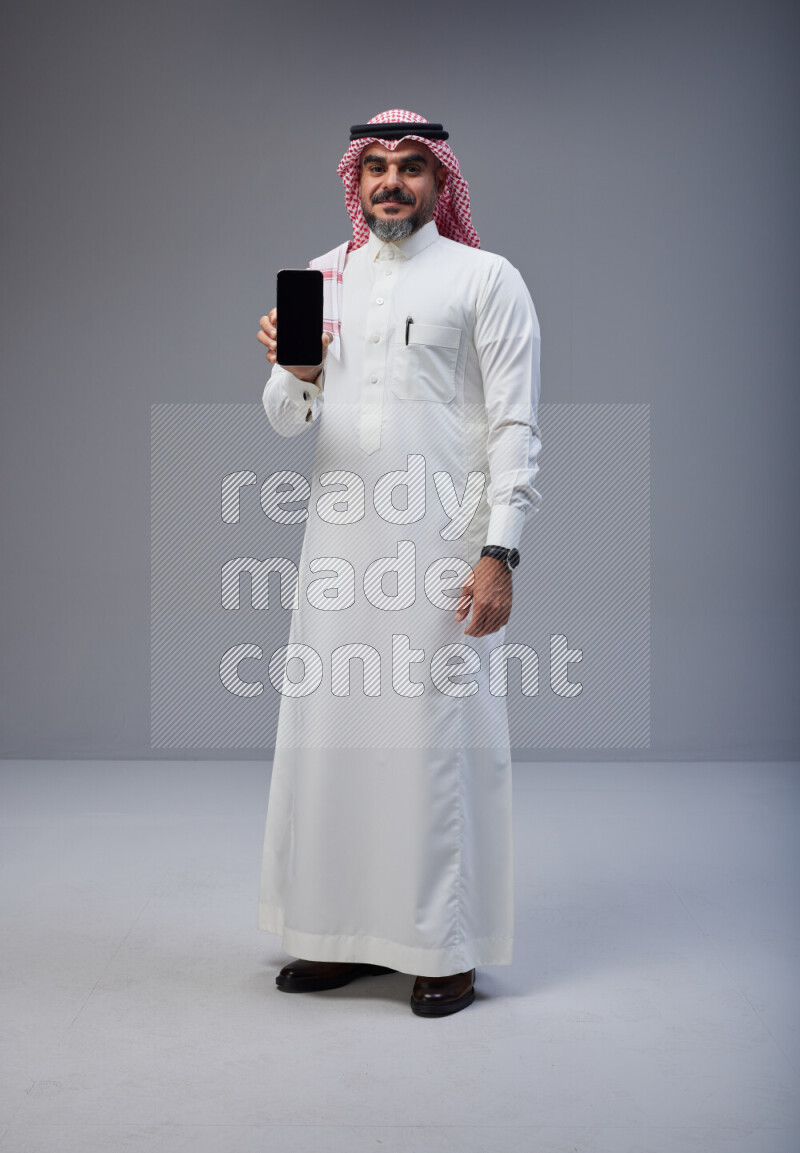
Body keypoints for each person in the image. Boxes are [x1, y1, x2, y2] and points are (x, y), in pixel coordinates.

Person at [255, 109, 542, 1017]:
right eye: (374, 166)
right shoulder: (319, 275)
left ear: (439, 180)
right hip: (339, 551)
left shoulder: (486, 279)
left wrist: (500, 551)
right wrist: (297, 370)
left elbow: (515, 426)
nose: (390, 182)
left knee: (432, 745)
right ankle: (337, 937)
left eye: (410, 167)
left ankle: (442, 947)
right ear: (355, 177)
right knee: (333, 739)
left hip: (441, 551)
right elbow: (284, 419)